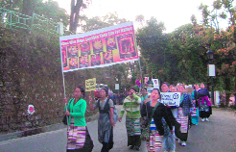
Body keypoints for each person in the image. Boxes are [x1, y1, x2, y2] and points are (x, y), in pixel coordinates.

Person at [64, 86, 91, 152]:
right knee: (71, 146)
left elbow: (82, 114)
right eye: (75, 91)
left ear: (81, 93)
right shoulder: (71, 101)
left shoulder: (83, 102)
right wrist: (66, 104)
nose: (76, 93)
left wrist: (71, 114)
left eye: (78, 91)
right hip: (72, 126)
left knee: (79, 146)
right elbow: (66, 110)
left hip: (80, 125)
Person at [89, 87, 115, 152]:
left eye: (103, 92)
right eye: (101, 92)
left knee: (107, 134)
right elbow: (92, 108)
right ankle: (106, 146)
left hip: (107, 120)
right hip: (101, 120)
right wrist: (90, 102)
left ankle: (105, 148)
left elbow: (111, 111)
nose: (101, 93)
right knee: (101, 135)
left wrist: (112, 120)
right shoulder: (98, 101)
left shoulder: (109, 101)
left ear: (106, 93)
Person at [161, 83, 177, 152]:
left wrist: (170, 106)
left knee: (171, 135)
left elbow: (176, 104)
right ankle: (166, 149)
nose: (163, 87)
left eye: (165, 86)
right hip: (162, 118)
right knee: (165, 135)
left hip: (170, 117)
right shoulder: (160, 95)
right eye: (162, 86)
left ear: (168, 87)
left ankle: (172, 149)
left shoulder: (172, 94)